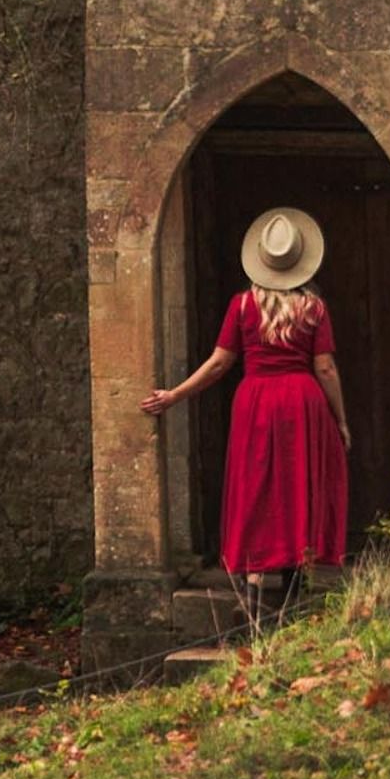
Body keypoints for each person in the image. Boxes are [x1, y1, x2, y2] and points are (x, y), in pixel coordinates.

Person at [141, 206, 350, 601]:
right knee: (296, 483)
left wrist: (174, 395)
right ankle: (293, 579)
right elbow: (325, 368)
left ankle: (253, 581)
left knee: (255, 484)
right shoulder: (314, 308)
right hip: (302, 403)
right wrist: (341, 420)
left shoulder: (241, 306)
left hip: (256, 401)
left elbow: (220, 363)